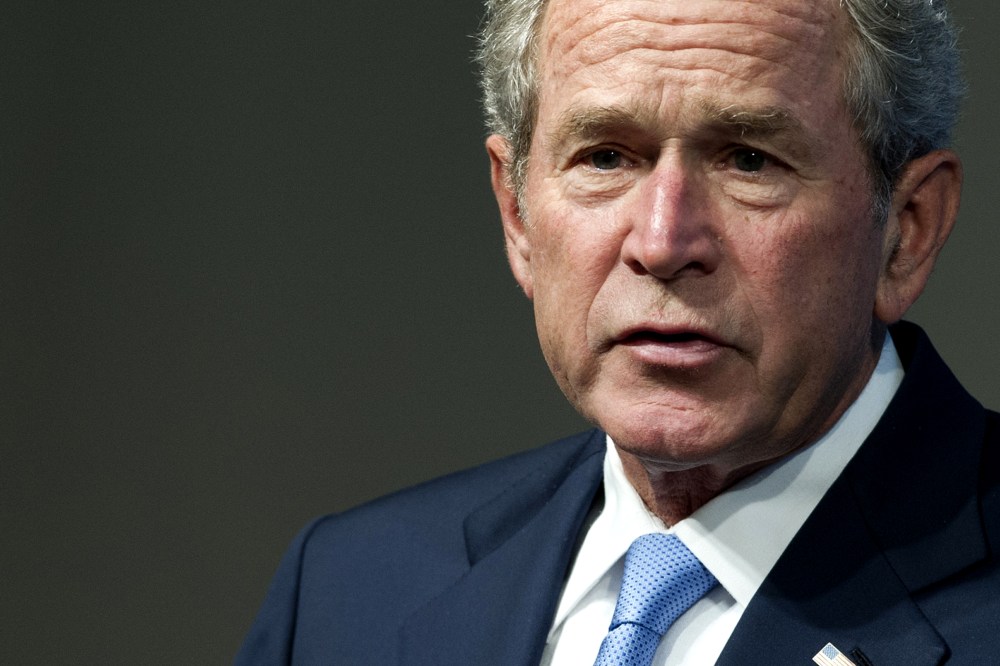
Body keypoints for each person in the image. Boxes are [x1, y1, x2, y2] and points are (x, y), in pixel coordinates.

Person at [235, 0, 1000, 663]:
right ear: (518, 218)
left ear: (907, 230)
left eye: (749, 160)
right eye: (605, 157)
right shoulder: (348, 591)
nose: (663, 242)